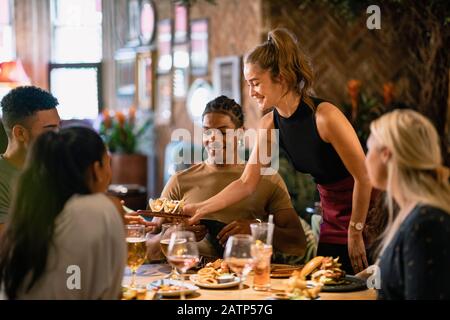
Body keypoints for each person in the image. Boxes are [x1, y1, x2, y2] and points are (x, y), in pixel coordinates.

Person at [185, 28, 374, 273]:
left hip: (367, 213)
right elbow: (246, 183)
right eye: (248, 84)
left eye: (255, 83)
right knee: (327, 286)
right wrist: (201, 207)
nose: (251, 92)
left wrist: (356, 230)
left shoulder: (325, 117)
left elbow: (364, 177)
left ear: (281, 78)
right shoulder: (269, 123)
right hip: (332, 216)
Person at [146, 96, 308, 261]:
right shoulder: (179, 181)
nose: (213, 139)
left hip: (246, 277)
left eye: (223, 132)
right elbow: (148, 249)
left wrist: (256, 229)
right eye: (207, 131)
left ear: (241, 133)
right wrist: (175, 235)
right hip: (188, 278)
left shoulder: (268, 179)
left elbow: (298, 244)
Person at [0, 127, 126, 299]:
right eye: (108, 163)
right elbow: (110, 292)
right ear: (96, 170)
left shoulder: (32, 211)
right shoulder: (98, 209)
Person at [364, 109, 450, 299]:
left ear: (386, 154)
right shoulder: (412, 212)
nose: (365, 158)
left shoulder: (425, 223)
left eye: (369, 149)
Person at [0, 86, 60, 232]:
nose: (59, 136)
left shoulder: (53, 168)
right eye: (50, 129)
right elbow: (6, 247)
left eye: (59, 127)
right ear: (20, 133)